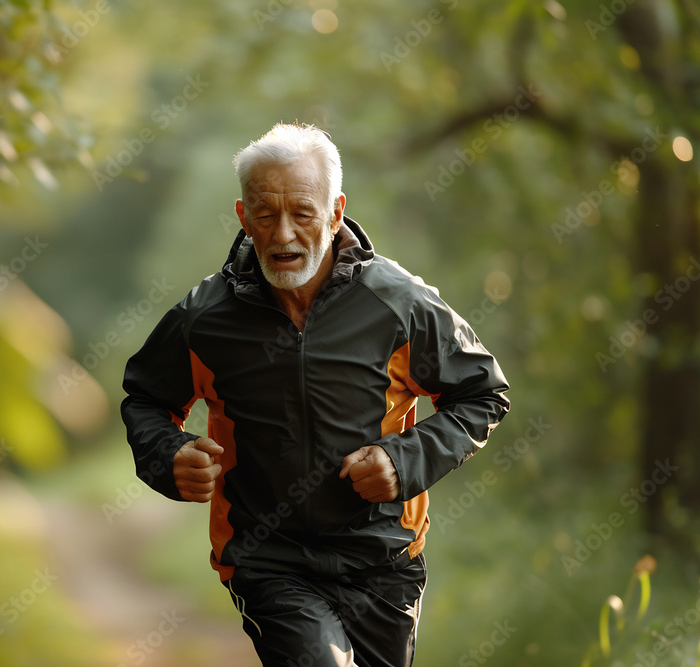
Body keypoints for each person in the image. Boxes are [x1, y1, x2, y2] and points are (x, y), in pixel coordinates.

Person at [120, 123, 510, 667]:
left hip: (384, 562)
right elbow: (146, 399)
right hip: (268, 561)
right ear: (243, 217)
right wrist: (168, 456)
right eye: (265, 215)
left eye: (302, 213)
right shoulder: (205, 318)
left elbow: (482, 394)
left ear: (335, 212)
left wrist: (404, 461)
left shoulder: (399, 304)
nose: (283, 235)